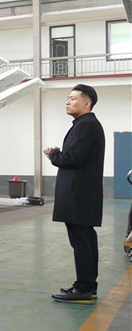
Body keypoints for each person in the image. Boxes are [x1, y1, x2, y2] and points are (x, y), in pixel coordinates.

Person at [45, 84, 106, 304]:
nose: (67, 102)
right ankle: (87, 286)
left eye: (72, 98)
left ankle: (84, 289)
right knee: (85, 239)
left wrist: (54, 154)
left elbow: (72, 158)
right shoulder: (86, 124)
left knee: (81, 241)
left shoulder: (86, 125)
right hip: (83, 194)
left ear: (87, 103)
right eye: (67, 98)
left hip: (78, 195)